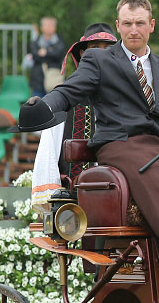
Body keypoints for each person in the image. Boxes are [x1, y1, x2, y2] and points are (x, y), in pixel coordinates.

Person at [23, 0, 159, 291]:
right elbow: (68, 92)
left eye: (140, 23)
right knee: (157, 187)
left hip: (157, 148)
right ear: (119, 26)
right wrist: (44, 107)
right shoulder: (99, 59)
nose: (135, 29)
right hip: (119, 145)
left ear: (152, 26)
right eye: (128, 23)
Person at [31, 22, 118, 210]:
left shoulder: (128, 97)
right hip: (72, 209)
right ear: (82, 54)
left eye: (108, 48)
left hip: (118, 203)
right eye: (95, 48)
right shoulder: (64, 98)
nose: (101, 53)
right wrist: (53, 205)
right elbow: (48, 154)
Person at [26, 16, 67, 96]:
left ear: (55, 28)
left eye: (51, 25)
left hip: (54, 81)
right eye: (47, 25)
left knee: (54, 106)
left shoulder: (60, 41)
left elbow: (58, 55)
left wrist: (45, 52)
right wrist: (50, 52)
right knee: (36, 105)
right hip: (38, 81)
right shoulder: (36, 42)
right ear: (42, 27)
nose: (49, 28)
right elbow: (35, 56)